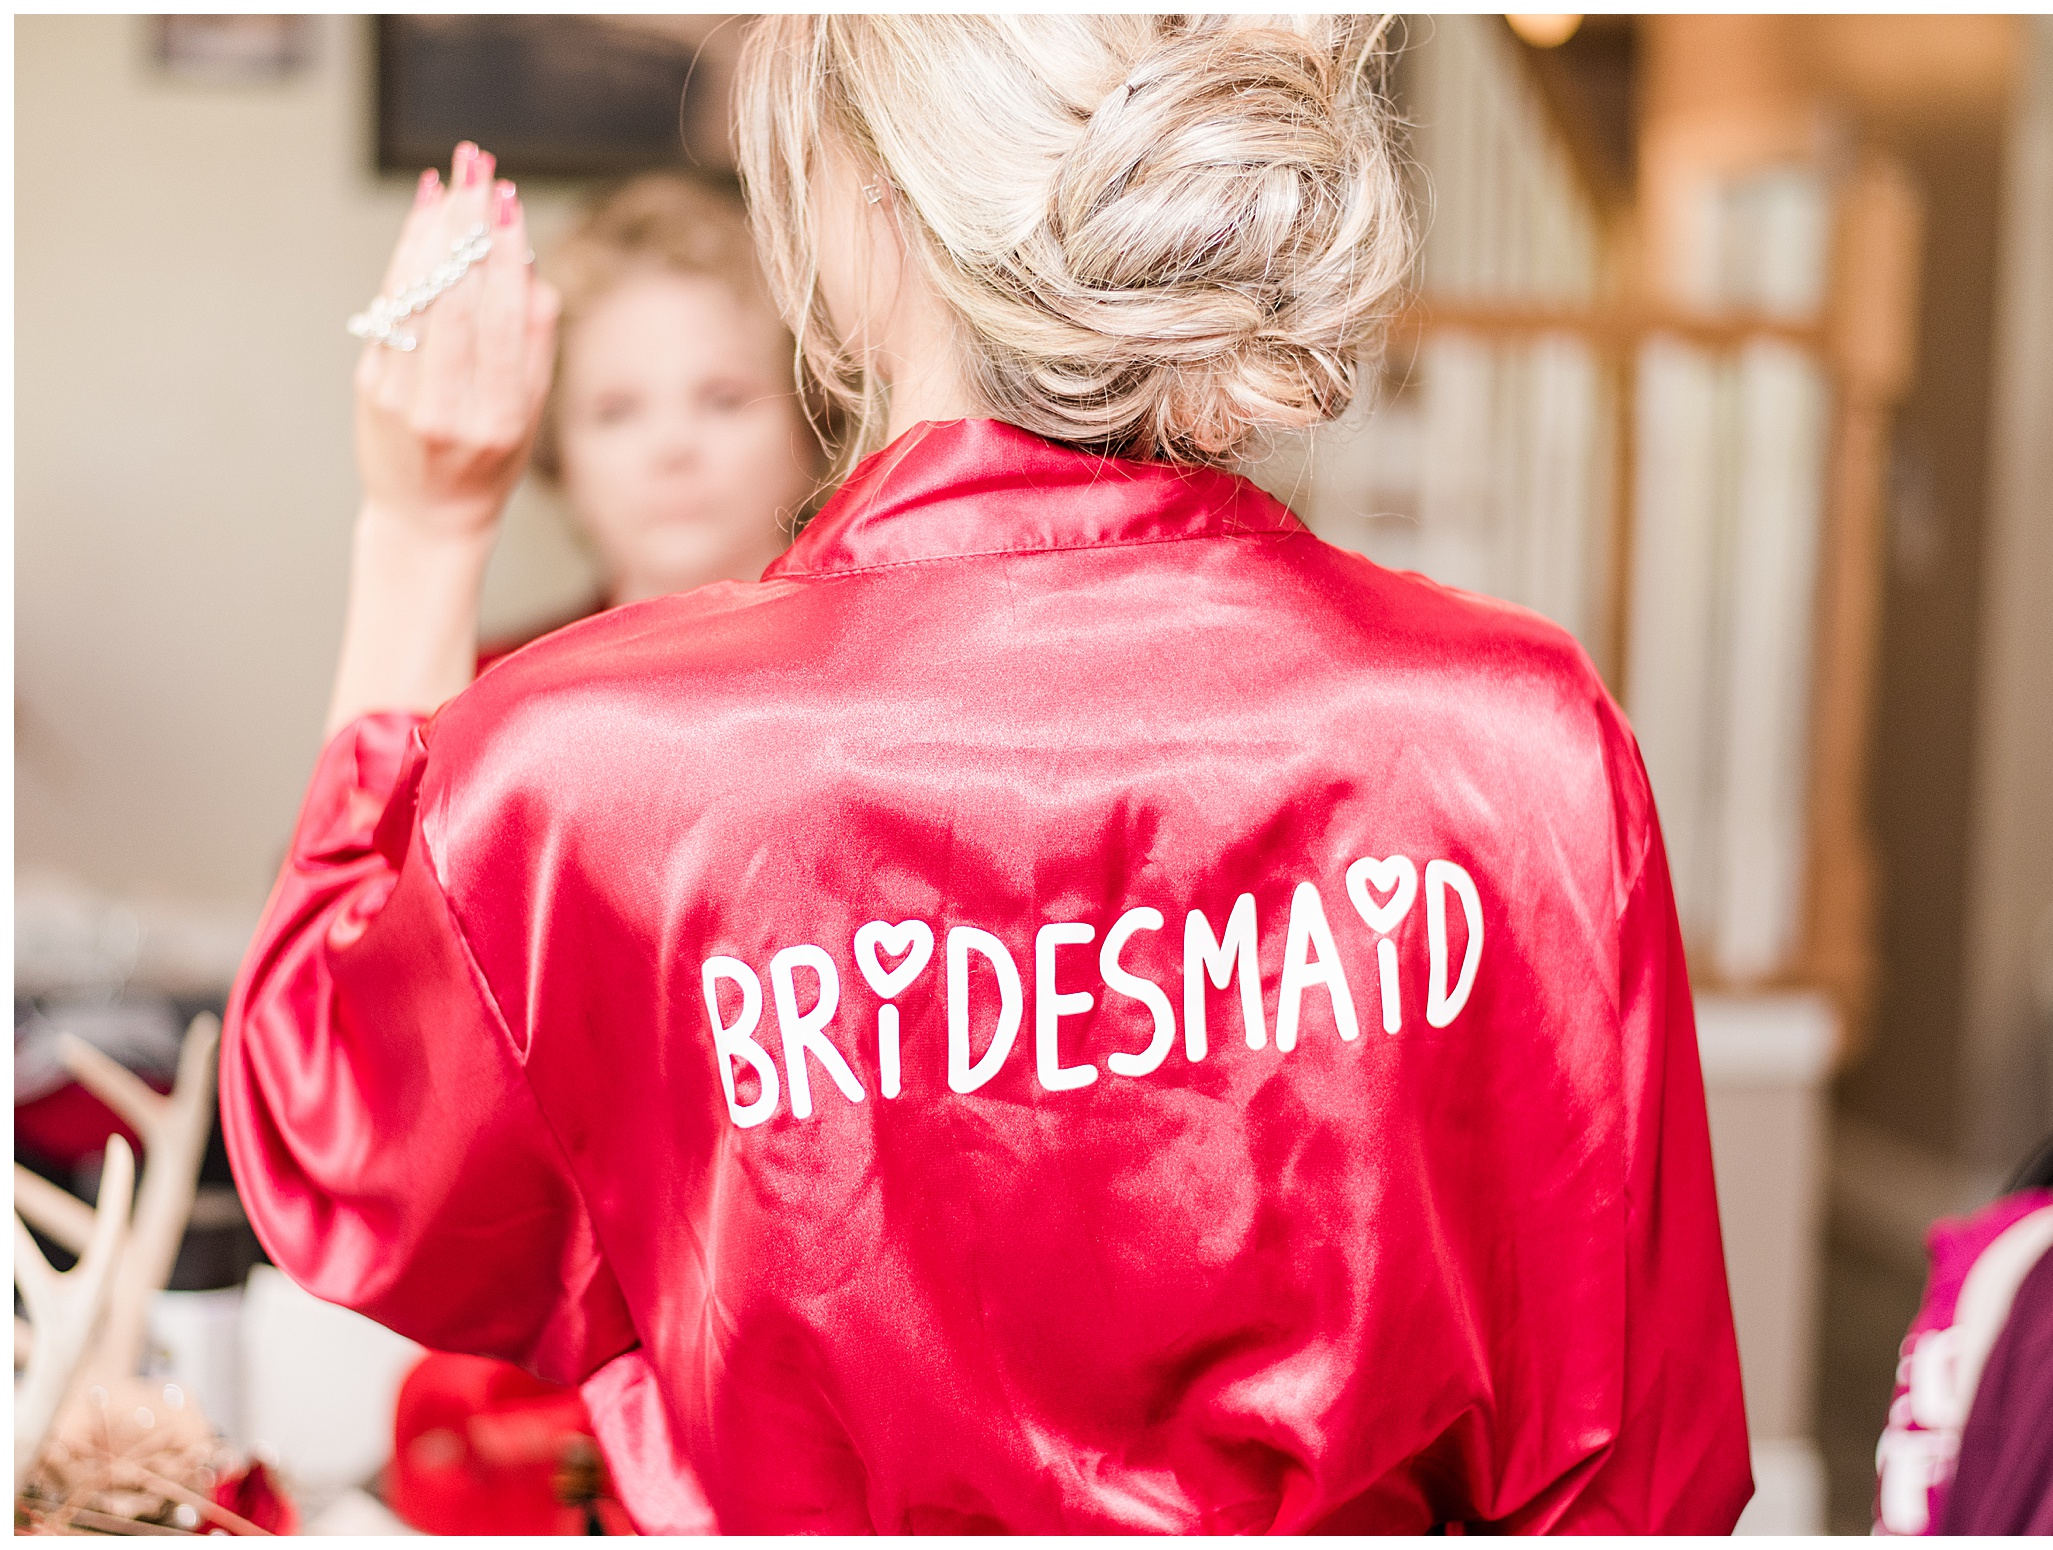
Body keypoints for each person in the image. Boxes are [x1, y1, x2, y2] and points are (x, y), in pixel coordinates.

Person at [223, 17, 1751, 1534]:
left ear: (860, 199)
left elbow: (338, 1138)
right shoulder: (1510, 742)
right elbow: (1642, 1483)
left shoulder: (586, 785)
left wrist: (422, 530)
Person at [480, 173, 819, 663]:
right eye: (616, 412)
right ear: (558, 452)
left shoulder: (901, 680)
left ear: (811, 420)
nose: (672, 446)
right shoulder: (487, 691)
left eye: (724, 400)